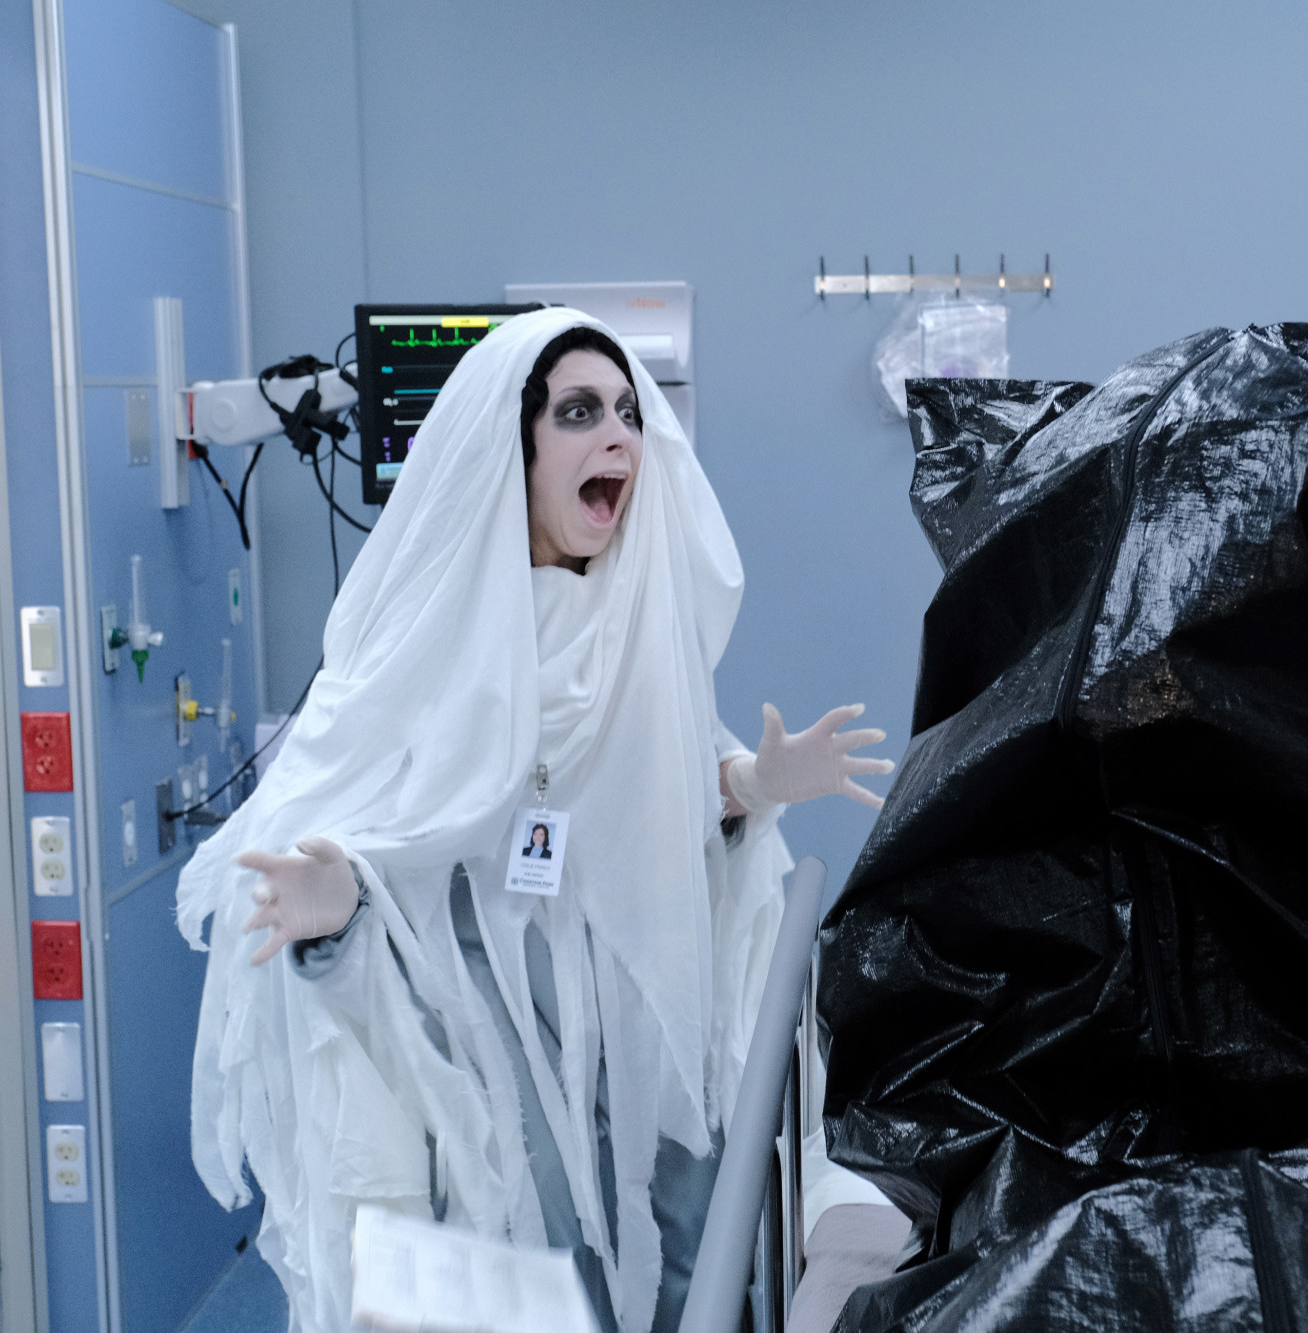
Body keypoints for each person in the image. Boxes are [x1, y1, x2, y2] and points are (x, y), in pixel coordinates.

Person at [177, 309, 891, 1333]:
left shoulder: (636, 629)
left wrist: (749, 783)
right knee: (532, 1235)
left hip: (637, 988)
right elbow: (375, 817)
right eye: (579, 412)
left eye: (629, 412)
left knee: (687, 1230)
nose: (618, 435)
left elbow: (659, 796)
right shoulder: (429, 637)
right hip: (487, 1016)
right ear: (511, 449)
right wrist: (339, 896)